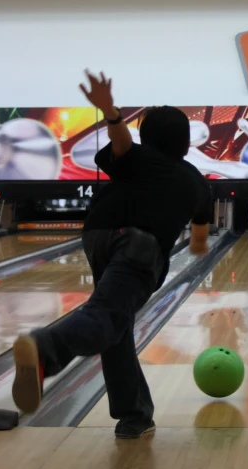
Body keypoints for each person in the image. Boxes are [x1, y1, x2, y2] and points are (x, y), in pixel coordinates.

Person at [12, 70, 212, 438]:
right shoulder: (197, 181)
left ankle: (134, 414)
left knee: (117, 326)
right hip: (140, 245)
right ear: (186, 145)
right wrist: (196, 243)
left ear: (147, 138)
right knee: (105, 317)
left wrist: (111, 113)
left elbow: (121, 145)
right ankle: (46, 348)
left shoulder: (138, 159)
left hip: (97, 234)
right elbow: (200, 239)